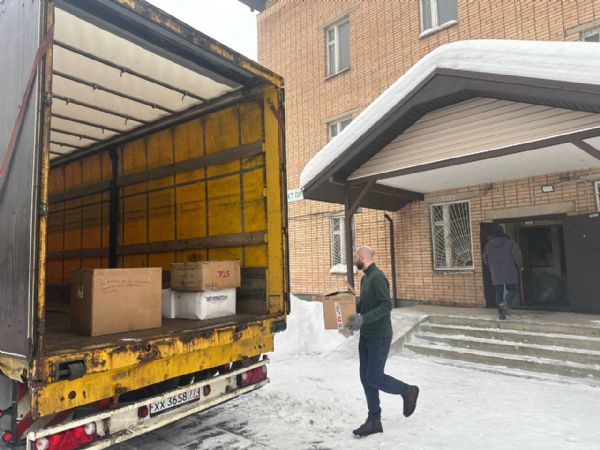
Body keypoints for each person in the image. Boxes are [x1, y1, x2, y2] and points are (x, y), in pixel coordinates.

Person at [345, 246, 419, 438]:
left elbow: (386, 305)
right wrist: (349, 311)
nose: (354, 260)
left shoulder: (377, 277)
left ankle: (407, 390)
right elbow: (365, 305)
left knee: (374, 377)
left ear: (362, 257)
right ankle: (374, 420)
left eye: (355, 256)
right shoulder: (365, 278)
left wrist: (364, 319)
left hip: (379, 335)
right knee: (365, 377)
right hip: (367, 335)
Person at [482, 225, 523, 320]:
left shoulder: (488, 245)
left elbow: (485, 258)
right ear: (502, 231)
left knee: (498, 292)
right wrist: (519, 266)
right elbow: (517, 256)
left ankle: (501, 314)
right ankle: (505, 303)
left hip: (496, 271)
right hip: (510, 270)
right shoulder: (510, 243)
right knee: (513, 290)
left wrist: (491, 266)